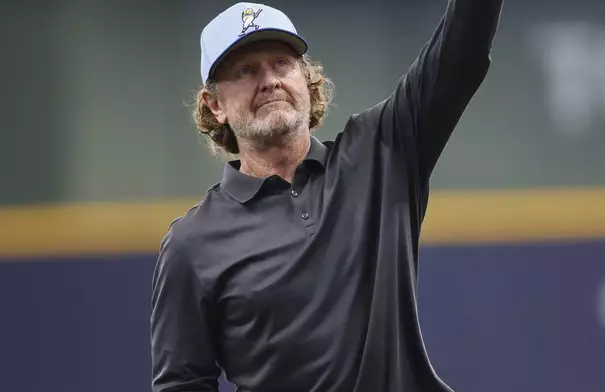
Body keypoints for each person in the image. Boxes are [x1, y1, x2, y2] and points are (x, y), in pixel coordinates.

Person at [150, 1, 504, 391]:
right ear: (214, 105)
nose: (269, 80)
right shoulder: (192, 243)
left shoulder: (380, 151)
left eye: (282, 63)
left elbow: (461, 55)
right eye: (246, 70)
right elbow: (182, 383)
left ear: (306, 78)